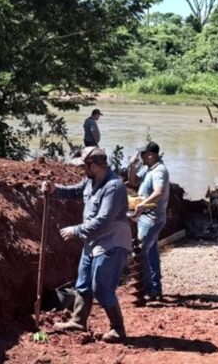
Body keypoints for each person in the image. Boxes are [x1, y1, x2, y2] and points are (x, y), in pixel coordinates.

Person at [40, 147, 131, 342]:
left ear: (95, 166)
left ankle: (118, 328)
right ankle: (78, 321)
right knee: (83, 282)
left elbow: (104, 220)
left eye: (84, 166)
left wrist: (76, 230)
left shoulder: (114, 187)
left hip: (111, 242)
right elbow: (75, 191)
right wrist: (55, 190)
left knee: (102, 288)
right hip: (93, 241)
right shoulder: (90, 181)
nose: (82, 170)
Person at [128, 141, 170, 301]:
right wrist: (132, 166)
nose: (141, 157)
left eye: (143, 154)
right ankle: (155, 288)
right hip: (145, 216)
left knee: (140, 251)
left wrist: (143, 204)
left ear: (151, 155)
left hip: (153, 218)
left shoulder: (160, 171)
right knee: (151, 253)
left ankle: (146, 290)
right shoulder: (148, 169)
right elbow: (133, 181)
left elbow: (159, 192)